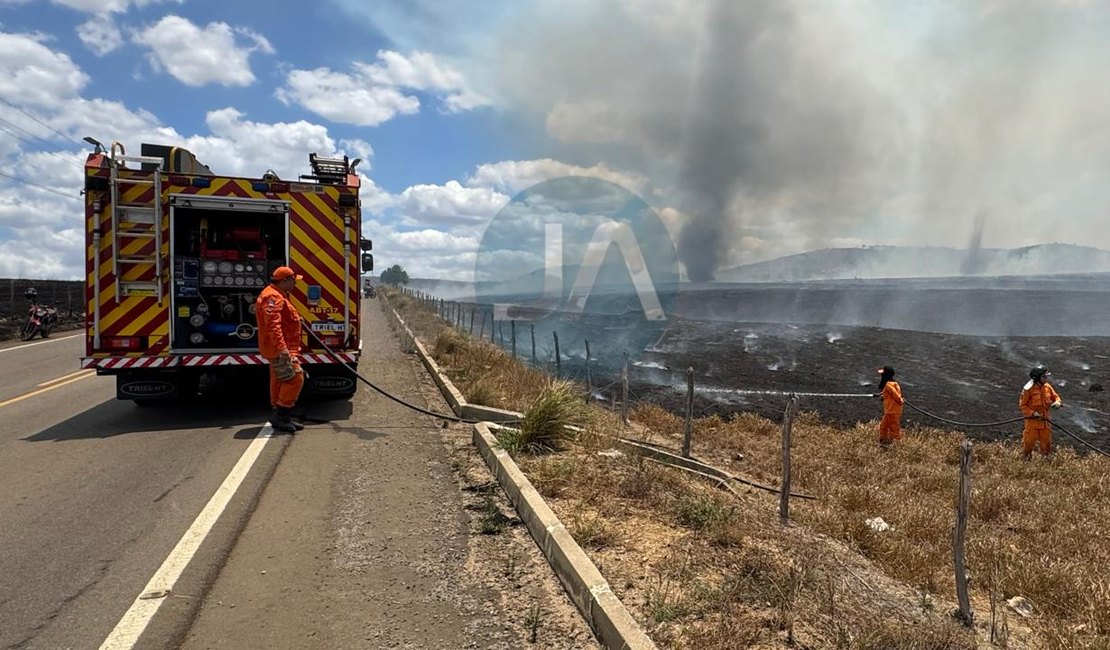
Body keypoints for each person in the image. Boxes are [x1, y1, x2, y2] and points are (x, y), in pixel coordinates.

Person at [257, 266, 306, 433]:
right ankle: (280, 414)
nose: (295, 284)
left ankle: (282, 417)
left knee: (279, 380)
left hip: (278, 348)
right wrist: (282, 349)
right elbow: (273, 325)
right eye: (293, 281)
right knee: (295, 378)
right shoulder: (273, 296)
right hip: (281, 349)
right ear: (285, 280)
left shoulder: (277, 295)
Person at [1019, 364, 1062, 459]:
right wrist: (1033, 413)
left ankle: (1045, 461)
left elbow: (1056, 397)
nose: (1046, 378)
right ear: (1037, 377)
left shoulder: (1047, 387)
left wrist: (1057, 402)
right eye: (1044, 376)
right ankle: (1025, 460)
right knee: (1029, 442)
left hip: (1045, 422)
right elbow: (1023, 405)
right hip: (1032, 423)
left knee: (1046, 443)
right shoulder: (1028, 390)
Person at [875, 365, 904, 445]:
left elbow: (896, 396)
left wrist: (900, 400)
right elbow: (889, 395)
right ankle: (883, 441)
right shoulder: (894, 383)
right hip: (889, 411)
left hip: (892, 411)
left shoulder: (889, 385)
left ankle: (895, 444)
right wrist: (883, 396)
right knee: (883, 426)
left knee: (894, 428)